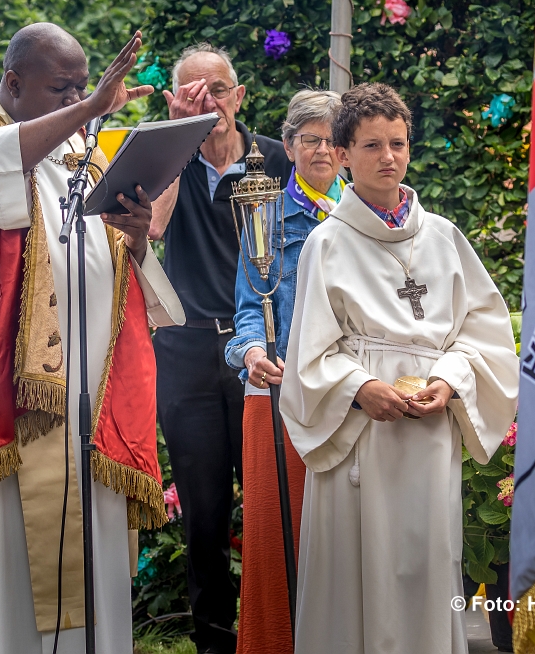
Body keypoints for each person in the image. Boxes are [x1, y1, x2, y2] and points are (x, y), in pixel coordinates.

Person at [0, 23, 184, 654]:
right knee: (4, 543)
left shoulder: (82, 152)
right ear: (12, 83)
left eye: (83, 90)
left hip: (87, 392)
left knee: (87, 544)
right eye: (60, 89)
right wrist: (86, 113)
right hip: (9, 390)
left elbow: (113, 265)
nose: (76, 102)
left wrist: (138, 234)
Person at [280, 83, 519, 654]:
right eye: (370, 146)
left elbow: (483, 333)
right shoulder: (326, 243)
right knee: (354, 573)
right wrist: (360, 387)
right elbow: (308, 354)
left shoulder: (443, 237)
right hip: (361, 434)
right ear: (342, 155)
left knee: (427, 563)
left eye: (398, 144)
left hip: (428, 431)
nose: (388, 157)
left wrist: (451, 379)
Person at [148, 43, 292, 654]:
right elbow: (152, 228)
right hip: (185, 352)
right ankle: (213, 643)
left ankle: (280, 631)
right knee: (204, 512)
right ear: (175, 100)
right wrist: (180, 139)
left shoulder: (279, 162)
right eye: (193, 91)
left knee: (270, 499)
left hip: (260, 354)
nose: (211, 101)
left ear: (240, 95)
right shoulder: (166, 160)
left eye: (220, 89)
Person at [222, 89, 342, 654]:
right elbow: (248, 304)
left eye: (332, 139)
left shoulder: (366, 212)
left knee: (345, 539)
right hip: (280, 393)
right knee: (278, 538)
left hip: (350, 397)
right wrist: (249, 352)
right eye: (310, 139)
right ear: (288, 146)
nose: (323, 149)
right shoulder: (265, 214)